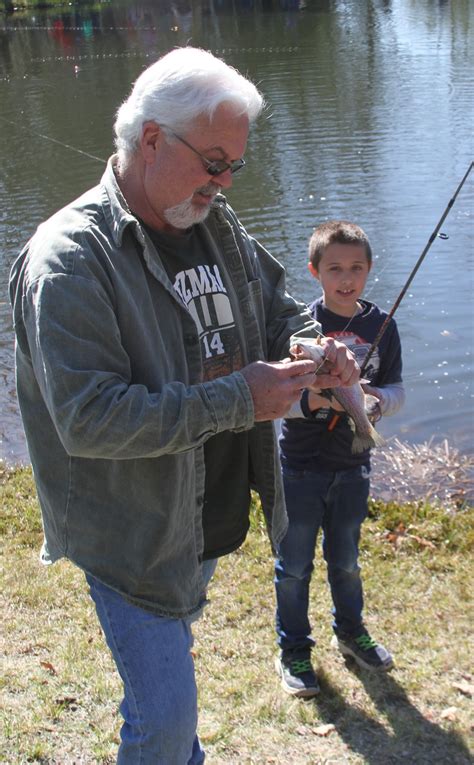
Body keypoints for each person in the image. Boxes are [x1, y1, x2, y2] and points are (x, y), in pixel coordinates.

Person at [9, 49, 359, 763]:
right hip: (133, 540)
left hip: (203, 520)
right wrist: (242, 398)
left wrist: (312, 345)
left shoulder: (211, 219)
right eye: (214, 161)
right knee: (164, 721)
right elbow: (90, 418)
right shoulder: (69, 260)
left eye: (236, 164)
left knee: (170, 691)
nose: (225, 181)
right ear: (150, 140)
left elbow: (278, 305)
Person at [274, 220, 405, 698]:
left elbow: (397, 391)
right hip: (300, 465)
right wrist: (318, 401)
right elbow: (277, 399)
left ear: (369, 270)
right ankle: (293, 648)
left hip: (353, 467)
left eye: (355, 268)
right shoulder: (300, 329)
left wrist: (373, 404)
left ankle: (351, 632)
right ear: (315, 272)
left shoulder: (382, 327)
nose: (346, 278)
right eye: (334, 269)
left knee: (346, 560)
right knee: (293, 565)